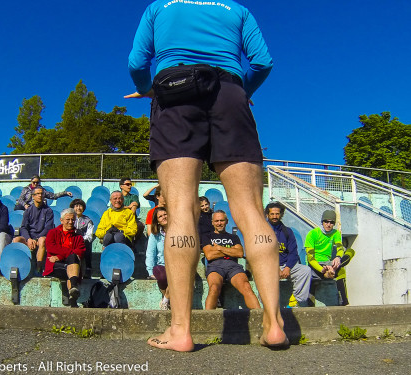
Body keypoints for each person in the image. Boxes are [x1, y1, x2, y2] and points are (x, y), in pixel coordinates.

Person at [126, 1, 286, 350]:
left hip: (175, 89)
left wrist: (147, 88)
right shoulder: (237, 10)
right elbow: (262, 62)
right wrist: (245, 92)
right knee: (250, 211)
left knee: (181, 208)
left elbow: (137, 62)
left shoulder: (160, 7)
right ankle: (274, 324)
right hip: (231, 93)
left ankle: (181, 331)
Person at [202, 210, 260, 310]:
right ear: (212, 222)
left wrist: (219, 248)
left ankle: (261, 318)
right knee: (214, 288)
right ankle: (207, 320)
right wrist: (231, 250)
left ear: (226, 221)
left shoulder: (234, 237)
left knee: (246, 287)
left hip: (233, 266)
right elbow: (210, 255)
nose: (219, 223)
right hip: (215, 266)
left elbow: (240, 253)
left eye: (222, 220)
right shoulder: (207, 237)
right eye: (216, 221)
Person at [265, 202, 312, 308]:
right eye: (272, 214)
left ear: (281, 214)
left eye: (277, 214)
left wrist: (288, 267)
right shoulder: (262, 230)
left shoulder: (288, 231)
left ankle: (297, 302)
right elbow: (262, 254)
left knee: (305, 271)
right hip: (269, 267)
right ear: (267, 215)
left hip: (285, 265)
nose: (274, 216)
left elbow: (293, 253)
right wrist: (275, 267)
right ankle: (267, 304)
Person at [44, 208, 86, 306]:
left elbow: (81, 251)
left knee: (73, 258)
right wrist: (65, 255)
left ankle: (72, 294)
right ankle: (73, 290)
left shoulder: (78, 237)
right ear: (61, 220)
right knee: (72, 260)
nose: (71, 222)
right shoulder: (53, 233)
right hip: (55, 265)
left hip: (70, 264)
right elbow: (51, 248)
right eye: (68, 219)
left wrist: (59, 256)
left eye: (73, 220)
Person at [12, 187, 54, 275]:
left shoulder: (48, 211)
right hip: (30, 238)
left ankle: (39, 268)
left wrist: (36, 239)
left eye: (42, 194)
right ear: (33, 196)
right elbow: (23, 227)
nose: (40, 196)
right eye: (37, 194)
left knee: (42, 240)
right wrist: (28, 239)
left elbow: (48, 228)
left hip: (40, 238)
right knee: (16, 240)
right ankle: (19, 266)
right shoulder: (28, 211)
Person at [304, 210, 345, 282]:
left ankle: (331, 272)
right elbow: (310, 258)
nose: (328, 225)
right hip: (315, 264)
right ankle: (329, 273)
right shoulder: (313, 233)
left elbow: (340, 248)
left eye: (331, 222)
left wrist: (338, 257)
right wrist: (322, 269)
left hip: (328, 263)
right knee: (328, 272)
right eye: (326, 221)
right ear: (322, 222)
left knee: (350, 253)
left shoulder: (336, 233)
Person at [145, 207, 170, 310]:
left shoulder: (178, 231)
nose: (163, 217)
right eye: (160, 216)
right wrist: (150, 271)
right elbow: (150, 253)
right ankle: (169, 299)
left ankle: (165, 301)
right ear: (157, 221)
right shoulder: (155, 235)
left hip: (178, 265)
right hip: (162, 264)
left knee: (176, 276)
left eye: (165, 214)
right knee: (162, 275)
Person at [70, 198, 94, 279]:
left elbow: (89, 235)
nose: (78, 208)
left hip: (83, 242)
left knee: (87, 245)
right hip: (71, 241)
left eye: (80, 206)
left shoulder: (87, 220)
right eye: (76, 206)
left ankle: (88, 269)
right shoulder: (70, 219)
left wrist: (81, 239)